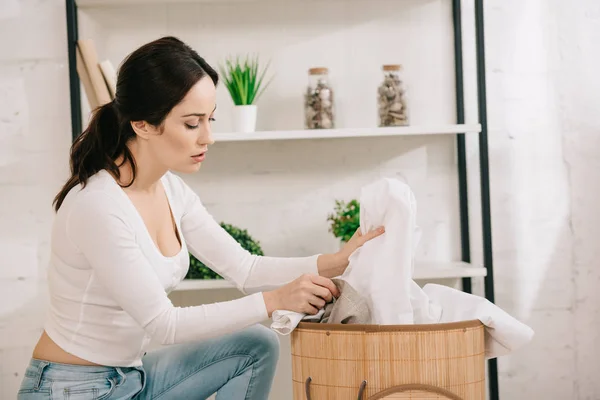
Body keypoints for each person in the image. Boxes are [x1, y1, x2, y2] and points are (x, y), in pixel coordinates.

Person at [17, 36, 384, 400]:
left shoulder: (171, 190)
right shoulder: (97, 206)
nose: (208, 137)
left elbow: (245, 267)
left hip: (132, 377)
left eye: (210, 120)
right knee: (256, 329)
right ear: (142, 124)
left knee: (255, 345)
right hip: (71, 389)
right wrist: (276, 300)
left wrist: (333, 263)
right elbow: (165, 324)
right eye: (192, 124)